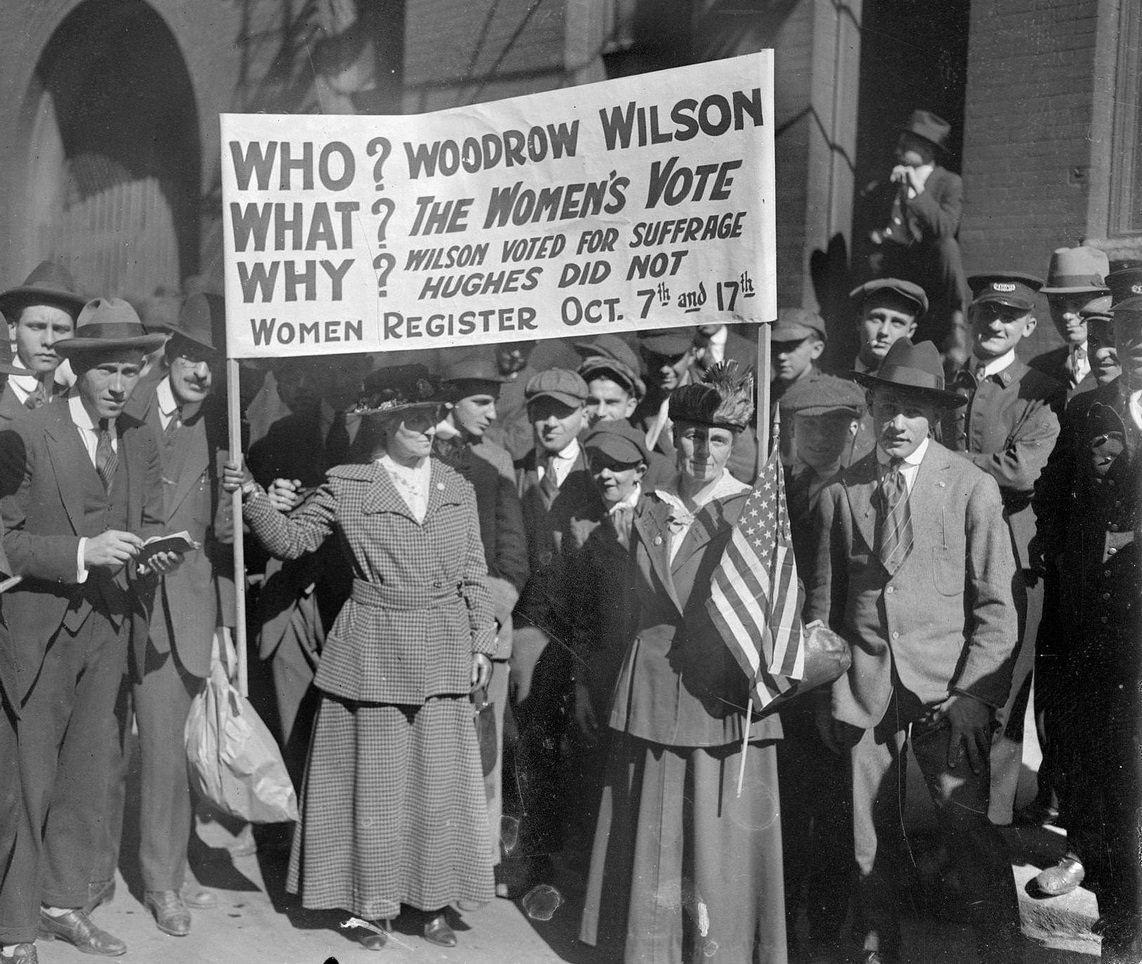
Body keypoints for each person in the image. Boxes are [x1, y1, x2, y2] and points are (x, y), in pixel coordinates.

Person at [224, 364, 496, 951]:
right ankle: (368, 906)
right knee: (375, 785)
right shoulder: (347, 483)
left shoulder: (458, 486)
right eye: (416, 419)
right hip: (372, 648)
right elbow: (291, 542)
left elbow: (476, 571)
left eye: (432, 417)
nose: (430, 428)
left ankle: (432, 901)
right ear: (386, 424)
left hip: (445, 648)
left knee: (436, 784)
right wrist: (248, 495)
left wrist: (481, 640)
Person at [806, 339, 1023, 964]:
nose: (896, 423)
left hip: (947, 694)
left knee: (968, 829)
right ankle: (879, 950)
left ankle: (1001, 952)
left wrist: (974, 697)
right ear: (871, 408)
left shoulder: (971, 489)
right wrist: (828, 692)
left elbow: (997, 608)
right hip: (865, 690)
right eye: (886, 407)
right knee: (866, 839)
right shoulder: (842, 493)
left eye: (911, 410)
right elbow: (825, 606)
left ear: (936, 416)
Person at [580, 363, 787, 964]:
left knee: (717, 841)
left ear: (735, 444)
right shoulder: (640, 510)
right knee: (653, 834)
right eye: (692, 434)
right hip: (648, 690)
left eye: (718, 438)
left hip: (718, 696)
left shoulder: (754, 514)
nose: (702, 449)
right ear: (673, 435)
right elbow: (618, 613)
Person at [0, 298, 179, 961]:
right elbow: (5, 545)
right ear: (77, 369)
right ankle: (14, 933)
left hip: (108, 628)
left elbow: (153, 518)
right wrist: (82, 553)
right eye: (107, 371)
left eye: (130, 371)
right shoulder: (30, 431)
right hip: (39, 633)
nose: (118, 385)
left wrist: (157, 551)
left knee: (84, 777)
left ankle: (61, 904)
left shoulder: (136, 434)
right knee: (29, 784)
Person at [1030, 267, 1142, 963]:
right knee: (1109, 774)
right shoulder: (1088, 410)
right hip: (1105, 628)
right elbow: (1051, 493)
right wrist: (1080, 559)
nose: (1136, 344)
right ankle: (1123, 922)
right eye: (1127, 331)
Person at [121, 292, 233, 936]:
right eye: (190, 356)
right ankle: (143, 875)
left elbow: (214, 533)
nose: (200, 371)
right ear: (170, 354)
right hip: (125, 600)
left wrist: (236, 499)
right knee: (122, 750)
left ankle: (168, 878)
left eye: (211, 362)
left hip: (185, 606)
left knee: (172, 750)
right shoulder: (131, 411)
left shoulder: (217, 431)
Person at [942, 273, 1063, 825]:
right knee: (951, 682)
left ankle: (988, 830)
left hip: (1014, 561)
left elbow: (1020, 472)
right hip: (951, 553)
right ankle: (948, 823)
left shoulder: (1040, 389)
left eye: (1008, 317)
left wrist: (938, 463)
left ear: (1027, 327)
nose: (994, 324)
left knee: (1000, 693)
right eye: (986, 312)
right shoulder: (949, 381)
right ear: (970, 318)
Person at [247, 353, 373, 789]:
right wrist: (267, 500)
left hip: (359, 608)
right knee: (296, 738)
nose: (341, 378)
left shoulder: (386, 436)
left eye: (351, 366)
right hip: (296, 607)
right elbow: (256, 528)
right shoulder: (282, 436)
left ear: (367, 366)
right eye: (330, 368)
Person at [1020, 246, 1111, 831]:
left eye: (1083, 304)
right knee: (1052, 682)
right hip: (1060, 554)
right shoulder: (1045, 370)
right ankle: (1051, 790)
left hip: (1110, 566)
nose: (1070, 315)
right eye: (1060, 305)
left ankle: (1088, 822)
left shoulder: (1119, 372)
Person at [432, 346, 530, 883]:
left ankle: (474, 865)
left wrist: (485, 616)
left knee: (482, 756)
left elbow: (514, 554)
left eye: (494, 402)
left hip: (485, 630)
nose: (492, 414)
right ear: (450, 401)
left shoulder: (496, 461)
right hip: (425, 628)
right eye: (480, 402)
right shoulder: (413, 454)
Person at [776, 375, 866, 958]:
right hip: (786, 664)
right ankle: (783, 922)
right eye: (808, 427)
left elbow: (840, 594)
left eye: (832, 427)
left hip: (835, 664)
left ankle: (830, 931)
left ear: (854, 429)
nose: (819, 439)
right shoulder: (779, 488)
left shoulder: (859, 492)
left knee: (835, 809)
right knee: (788, 802)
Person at [501, 368, 597, 895]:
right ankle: (533, 860)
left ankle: (578, 860)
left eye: (561, 411)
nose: (550, 421)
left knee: (577, 744)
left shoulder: (597, 473)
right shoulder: (516, 474)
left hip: (586, 631)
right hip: (530, 625)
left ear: (585, 415)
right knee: (530, 739)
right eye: (540, 411)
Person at [564, 420, 649, 855]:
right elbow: (581, 614)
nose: (606, 475)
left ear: (640, 471)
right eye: (598, 465)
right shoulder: (584, 527)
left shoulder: (660, 519)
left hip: (649, 671)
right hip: (602, 670)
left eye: (618, 466)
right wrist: (580, 686)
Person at [859, 110, 971, 362]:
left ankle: (956, 327)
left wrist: (916, 191)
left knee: (948, 246)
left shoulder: (948, 182)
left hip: (926, 264)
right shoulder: (889, 182)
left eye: (907, 144)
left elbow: (945, 229)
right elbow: (872, 221)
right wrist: (878, 233)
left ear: (928, 150)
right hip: (892, 259)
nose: (899, 149)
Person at [635, 329, 758, 482]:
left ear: (692, 354)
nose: (664, 369)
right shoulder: (639, 399)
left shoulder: (718, 395)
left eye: (674, 359)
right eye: (656, 359)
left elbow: (744, 467)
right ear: (643, 355)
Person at [0, 261, 84, 420]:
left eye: (61, 329)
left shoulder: (76, 404)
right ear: (12, 329)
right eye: (37, 327)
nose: (49, 340)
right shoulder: (2, 397)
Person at [1029, 245, 1110, 397]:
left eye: (1078, 303)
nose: (1066, 315)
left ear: (1104, 301)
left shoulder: (1127, 363)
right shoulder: (1039, 367)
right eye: (1057, 305)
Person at [849, 279, 927, 374]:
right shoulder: (829, 383)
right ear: (859, 322)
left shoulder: (915, 386)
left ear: (910, 331)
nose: (884, 331)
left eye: (897, 323)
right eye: (876, 319)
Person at [770, 308, 826, 404]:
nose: (781, 356)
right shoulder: (762, 395)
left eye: (791, 347)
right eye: (776, 346)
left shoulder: (826, 396)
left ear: (816, 349)